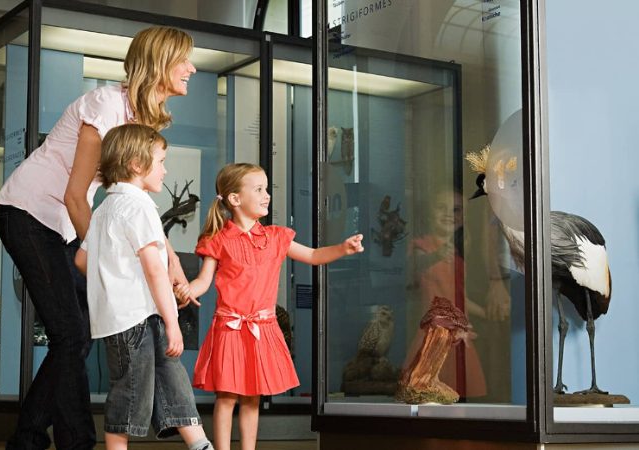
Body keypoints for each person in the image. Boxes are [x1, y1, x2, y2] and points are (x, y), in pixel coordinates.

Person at [0, 26, 197, 450]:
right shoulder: (106, 104)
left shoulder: (143, 121)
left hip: (65, 223)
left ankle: (50, 440)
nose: (191, 69)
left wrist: (172, 265)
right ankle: (48, 442)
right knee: (71, 335)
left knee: (77, 336)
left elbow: (134, 204)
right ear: (159, 63)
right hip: (30, 213)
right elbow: (74, 195)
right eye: (184, 60)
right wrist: (109, 262)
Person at [174, 163, 364, 450]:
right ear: (235, 199)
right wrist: (187, 291)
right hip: (229, 328)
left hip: (263, 328)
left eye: (266, 189)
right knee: (226, 397)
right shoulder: (219, 240)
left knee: (252, 397)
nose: (266, 195)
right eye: (259, 189)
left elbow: (312, 255)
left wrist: (342, 248)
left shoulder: (276, 237)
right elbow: (203, 281)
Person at [74, 124, 212, 450]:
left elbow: (82, 261)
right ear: (137, 165)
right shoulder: (140, 206)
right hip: (135, 318)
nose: (165, 169)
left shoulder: (106, 207)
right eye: (161, 161)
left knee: (170, 377)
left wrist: (114, 279)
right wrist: (175, 323)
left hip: (133, 316)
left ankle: (201, 445)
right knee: (130, 391)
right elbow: (154, 269)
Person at [404, 187, 488, 398]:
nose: (449, 214)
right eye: (441, 208)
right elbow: (415, 266)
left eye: (456, 210)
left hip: (458, 335)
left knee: (458, 393)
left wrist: (488, 312)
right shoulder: (420, 246)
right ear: (429, 212)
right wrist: (437, 255)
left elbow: (460, 298)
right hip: (433, 333)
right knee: (425, 391)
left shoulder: (459, 260)